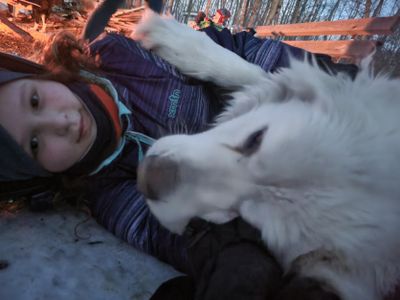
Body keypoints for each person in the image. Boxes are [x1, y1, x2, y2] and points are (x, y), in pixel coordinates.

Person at [0, 6, 358, 299]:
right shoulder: (108, 191)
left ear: (42, 76)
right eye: (35, 143)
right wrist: (227, 250)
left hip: (316, 117)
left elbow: (233, 48)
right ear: (40, 174)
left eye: (35, 100)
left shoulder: (122, 57)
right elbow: (161, 228)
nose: (57, 122)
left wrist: (316, 74)